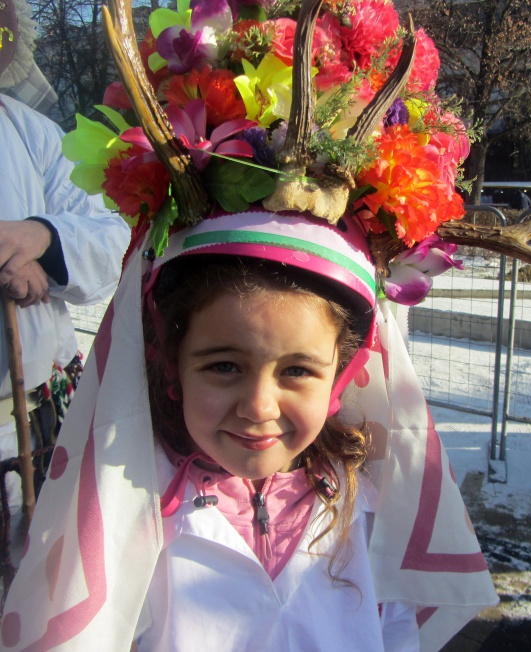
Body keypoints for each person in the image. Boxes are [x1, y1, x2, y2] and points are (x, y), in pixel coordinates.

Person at [1, 1, 499, 650]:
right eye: (223, 365)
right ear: (171, 361)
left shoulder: (369, 509)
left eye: (298, 370)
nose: (259, 406)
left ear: (344, 372)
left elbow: (395, 632)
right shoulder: (133, 518)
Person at [0, 0, 130, 549]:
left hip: (37, 420)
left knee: (38, 575)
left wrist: (44, 238)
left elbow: (111, 234)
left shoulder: (30, 132)